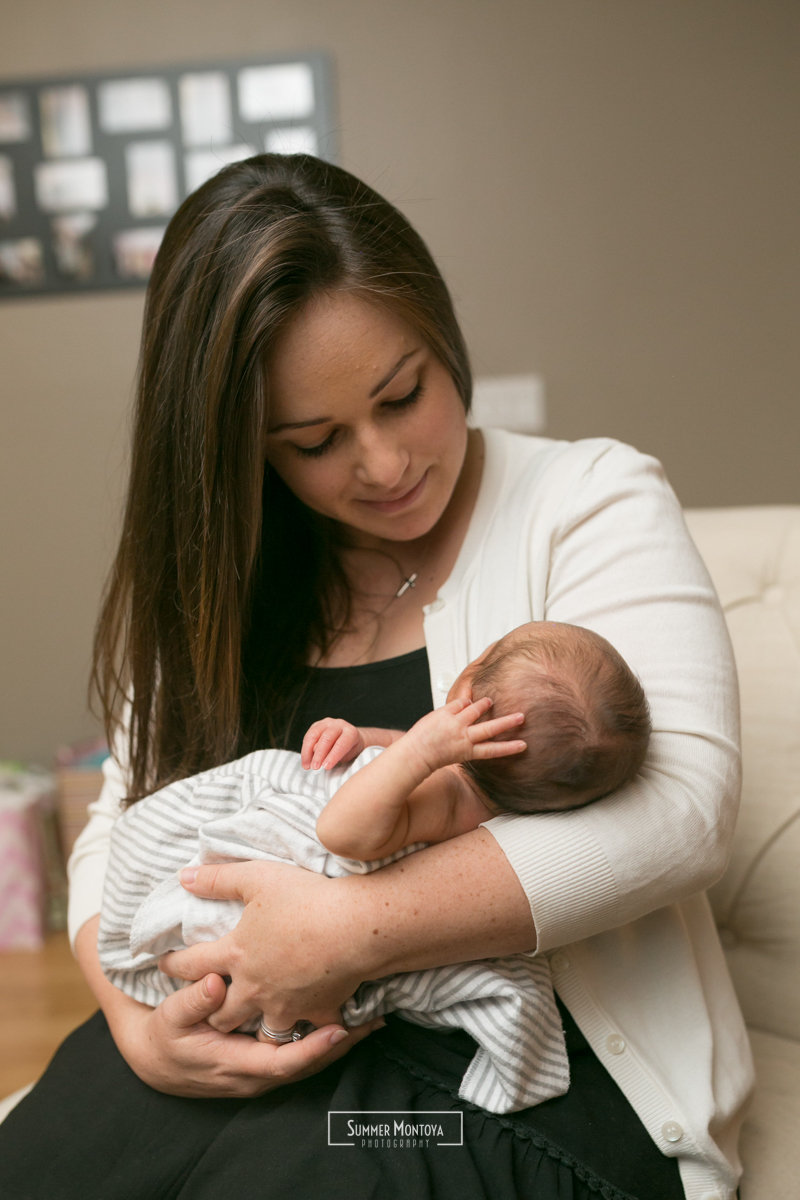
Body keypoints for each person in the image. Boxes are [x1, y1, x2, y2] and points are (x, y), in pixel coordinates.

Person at [0, 153, 752, 1200]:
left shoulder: (587, 499)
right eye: (314, 442)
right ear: (241, 452)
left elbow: (680, 813)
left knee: (288, 1179)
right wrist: (133, 1025)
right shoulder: (225, 578)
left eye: (404, 395)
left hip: (514, 1083)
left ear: (443, 340)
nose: (385, 464)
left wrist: (340, 933)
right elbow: (124, 814)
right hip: (249, 1028)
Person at [95, 621, 652, 1117]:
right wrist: (366, 741)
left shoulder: (443, 788)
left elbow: (343, 832)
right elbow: (388, 760)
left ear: (464, 691)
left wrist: (418, 753)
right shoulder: (485, 792)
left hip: (249, 885)